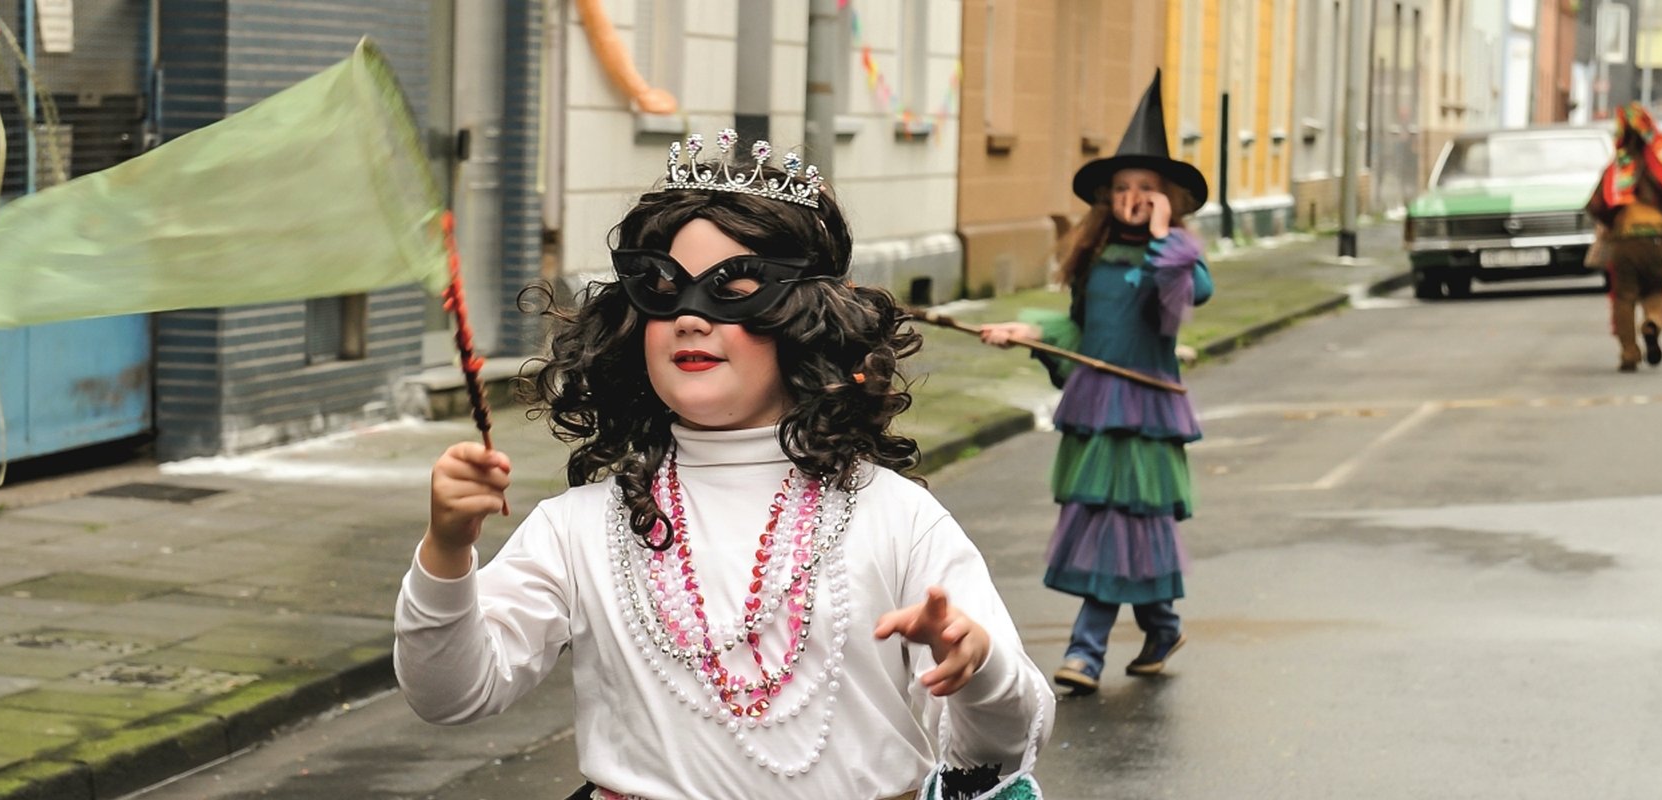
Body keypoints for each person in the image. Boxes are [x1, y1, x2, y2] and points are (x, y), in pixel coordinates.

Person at [394, 130, 1053, 799]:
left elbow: (999, 753)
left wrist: (979, 670)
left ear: (807, 317)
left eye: (732, 289)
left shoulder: (896, 520)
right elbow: (451, 693)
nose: (689, 317)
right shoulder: (580, 530)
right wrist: (448, 550)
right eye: (662, 289)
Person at [979, 72, 1212, 696]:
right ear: (1106, 198)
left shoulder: (1177, 259)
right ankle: (1161, 626)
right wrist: (1023, 330)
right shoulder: (1096, 259)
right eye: (1122, 188)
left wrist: (1165, 237)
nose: (1132, 196)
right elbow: (1080, 332)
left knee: (1126, 527)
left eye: (1147, 189)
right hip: (1095, 407)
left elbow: (1188, 294)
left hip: (1146, 413)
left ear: (1169, 200)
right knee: (1115, 526)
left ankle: (1086, 650)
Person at [1586, 102, 1662, 372]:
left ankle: (1629, 353)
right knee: (1655, 290)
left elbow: (1597, 205)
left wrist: (1613, 222)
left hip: (1625, 241)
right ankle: (1652, 323)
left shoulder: (1619, 167)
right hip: (1658, 240)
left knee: (1624, 297)